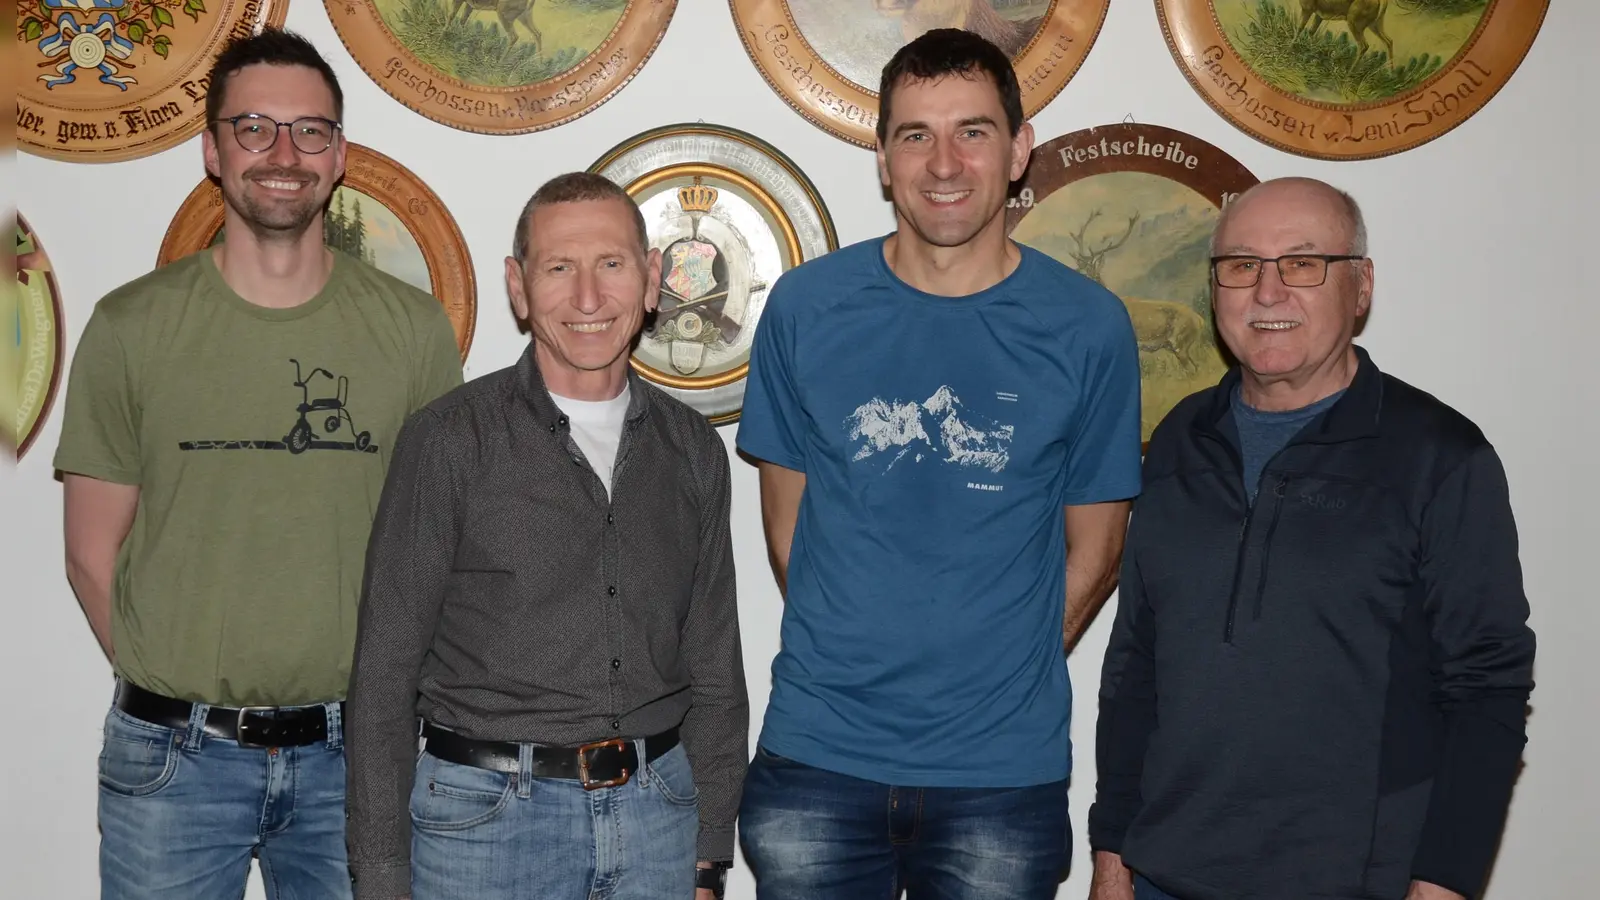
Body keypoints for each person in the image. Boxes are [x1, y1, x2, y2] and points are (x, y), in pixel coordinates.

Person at [51, 28, 464, 900]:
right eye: (255, 128)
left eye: (310, 130)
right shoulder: (130, 328)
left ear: (340, 154)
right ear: (211, 149)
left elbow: (438, 554)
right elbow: (91, 552)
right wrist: (177, 691)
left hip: (357, 765)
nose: (284, 153)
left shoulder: (414, 332)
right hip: (173, 762)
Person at [735, 27, 1144, 899]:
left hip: (1002, 773)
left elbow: (1099, 546)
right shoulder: (807, 309)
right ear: (883, 158)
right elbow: (786, 533)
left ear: (1019, 150)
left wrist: (1004, 664)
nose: (944, 162)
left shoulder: (1089, 328)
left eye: (974, 131)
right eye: (915, 134)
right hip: (816, 755)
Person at [1087, 177, 1536, 900]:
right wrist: (1112, 856)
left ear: (1360, 287)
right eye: (1241, 265)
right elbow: (1136, 663)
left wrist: (1444, 883)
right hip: (1164, 875)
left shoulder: (1441, 457)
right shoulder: (1179, 440)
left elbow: (1488, 688)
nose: (1267, 293)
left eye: (1302, 263)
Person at [343, 172, 748, 900]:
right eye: (560, 268)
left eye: (612, 265)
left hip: (660, 818)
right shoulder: (448, 440)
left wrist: (709, 847)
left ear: (653, 280)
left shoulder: (692, 449)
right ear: (519, 286)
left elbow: (715, 665)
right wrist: (379, 874)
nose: (588, 299)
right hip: (486, 829)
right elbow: (382, 675)